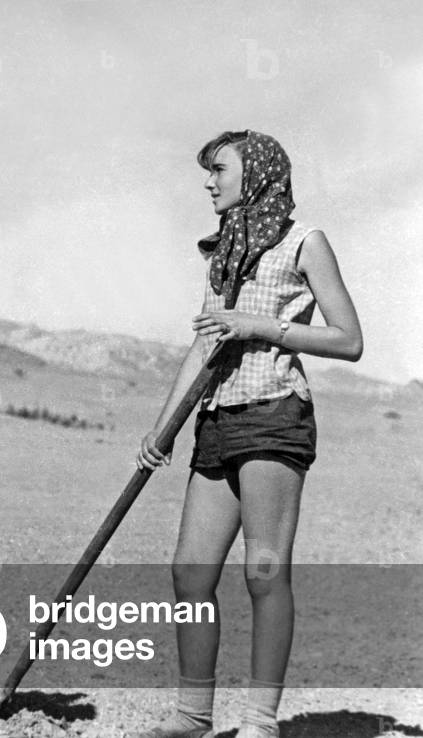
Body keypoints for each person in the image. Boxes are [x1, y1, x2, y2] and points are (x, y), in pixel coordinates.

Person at [134, 131, 362, 738]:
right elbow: (203, 345)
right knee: (190, 574)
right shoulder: (225, 248)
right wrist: (161, 430)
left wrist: (259, 325)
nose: (209, 182)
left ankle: (261, 723)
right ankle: (192, 718)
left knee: (263, 572)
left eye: (219, 169)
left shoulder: (304, 242)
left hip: (273, 414)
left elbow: (349, 340)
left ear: (255, 174)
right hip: (216, 419)